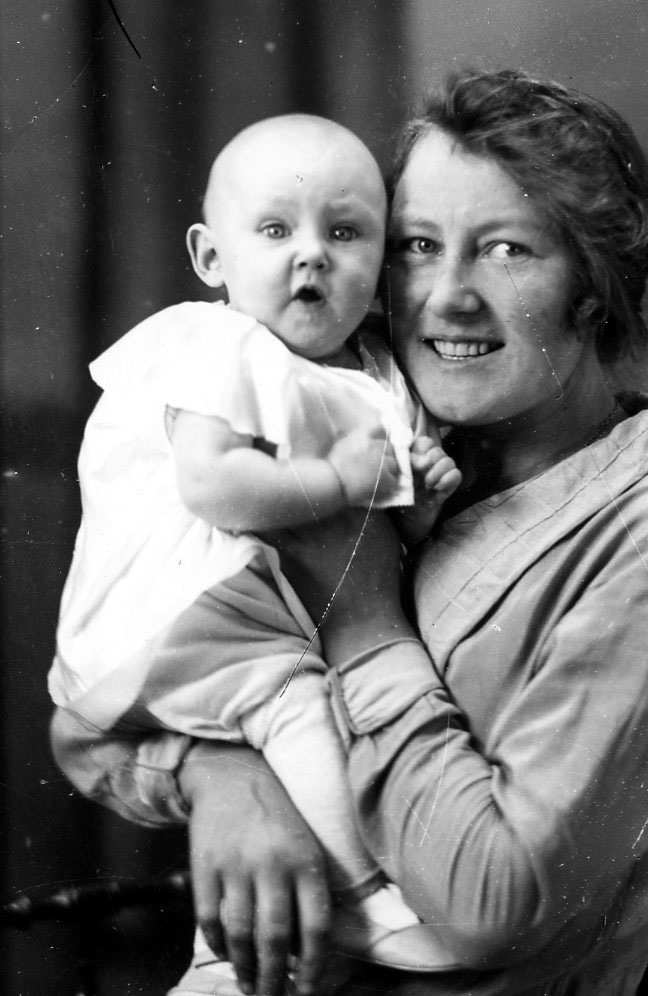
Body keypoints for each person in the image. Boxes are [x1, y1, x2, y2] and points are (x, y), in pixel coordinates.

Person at [51, 69, 648, 996]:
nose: (446, 296)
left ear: (594, 288)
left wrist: (364, 620)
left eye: (506, 249)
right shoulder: (367, 435)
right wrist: (222, 775)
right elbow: (89, 722)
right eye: (417, 245)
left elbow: (491, 906)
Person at [47, 114, 462, 974]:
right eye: (275, 231)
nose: (311, 255)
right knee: (300, 709)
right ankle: (363, 900)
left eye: (344, 233)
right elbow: (214, 485)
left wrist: (420, 495)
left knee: (313, 739)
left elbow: (389, 537)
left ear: (381, 261)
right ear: (211, 257)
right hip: (175, 614)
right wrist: (342, 480)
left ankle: (232, 966)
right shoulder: (217, 344)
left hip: (247, 624)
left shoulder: (376, 374)